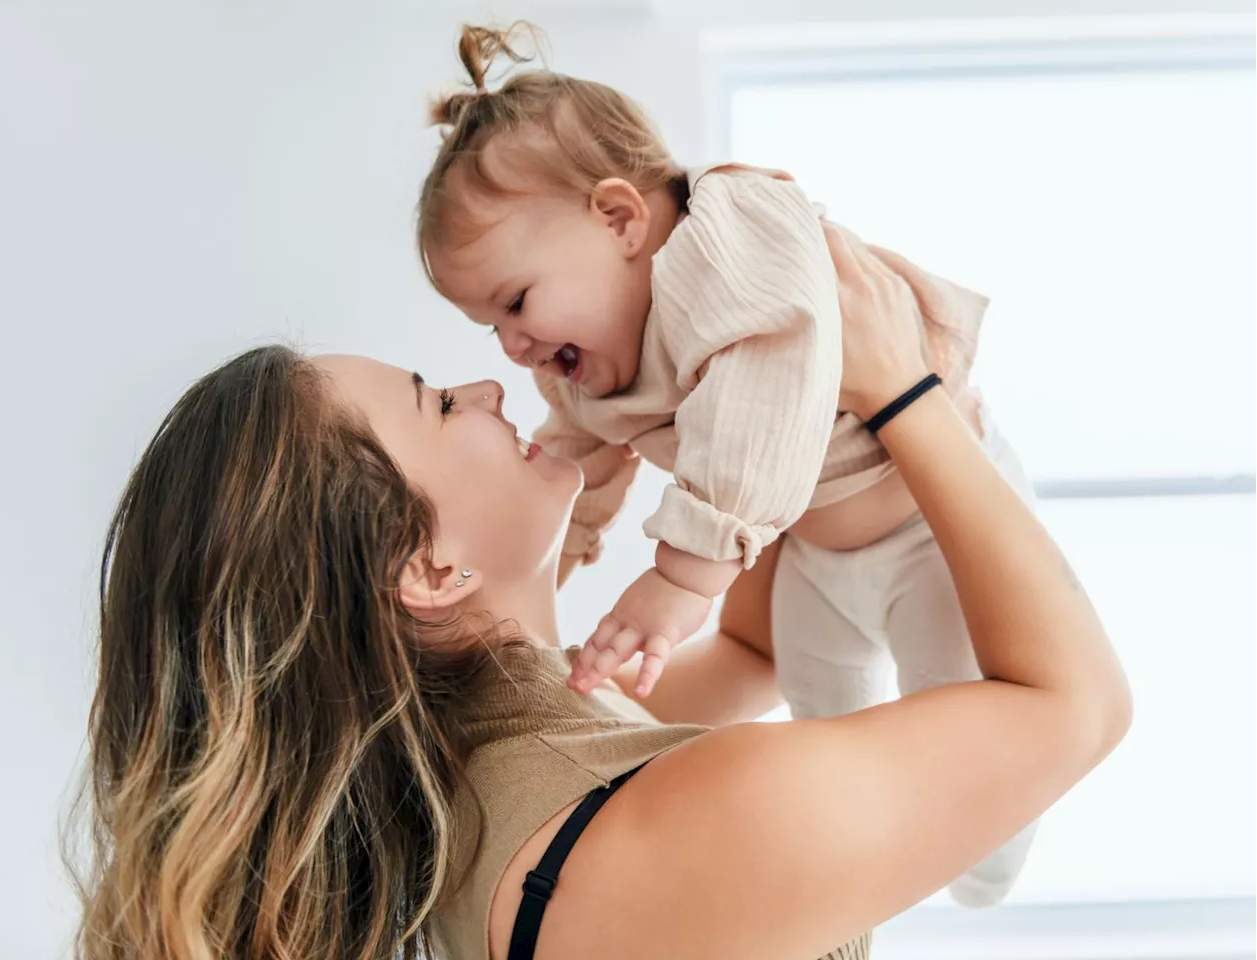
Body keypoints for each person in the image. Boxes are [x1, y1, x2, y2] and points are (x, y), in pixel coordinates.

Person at [70, 225, 1130, 960]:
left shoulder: (507, 776)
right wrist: (907, 393)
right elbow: (1071, 709)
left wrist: (729, 378)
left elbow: (759, 653)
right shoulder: (644, 828)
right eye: (439, 407)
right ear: (430, 571)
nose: (488, 384)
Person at [418, 23, 1043, 905]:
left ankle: (989, 850)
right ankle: (895, 853)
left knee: (954, 702)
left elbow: (773, 377)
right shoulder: (594, 361)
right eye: (492, 325)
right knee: (839, 728)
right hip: (816, 555)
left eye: (518, 301)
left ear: (621, 218)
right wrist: (556, 555)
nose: (514, 347)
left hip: (927, 524)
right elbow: (575, 456)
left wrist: (680, 578)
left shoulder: (725, 245)